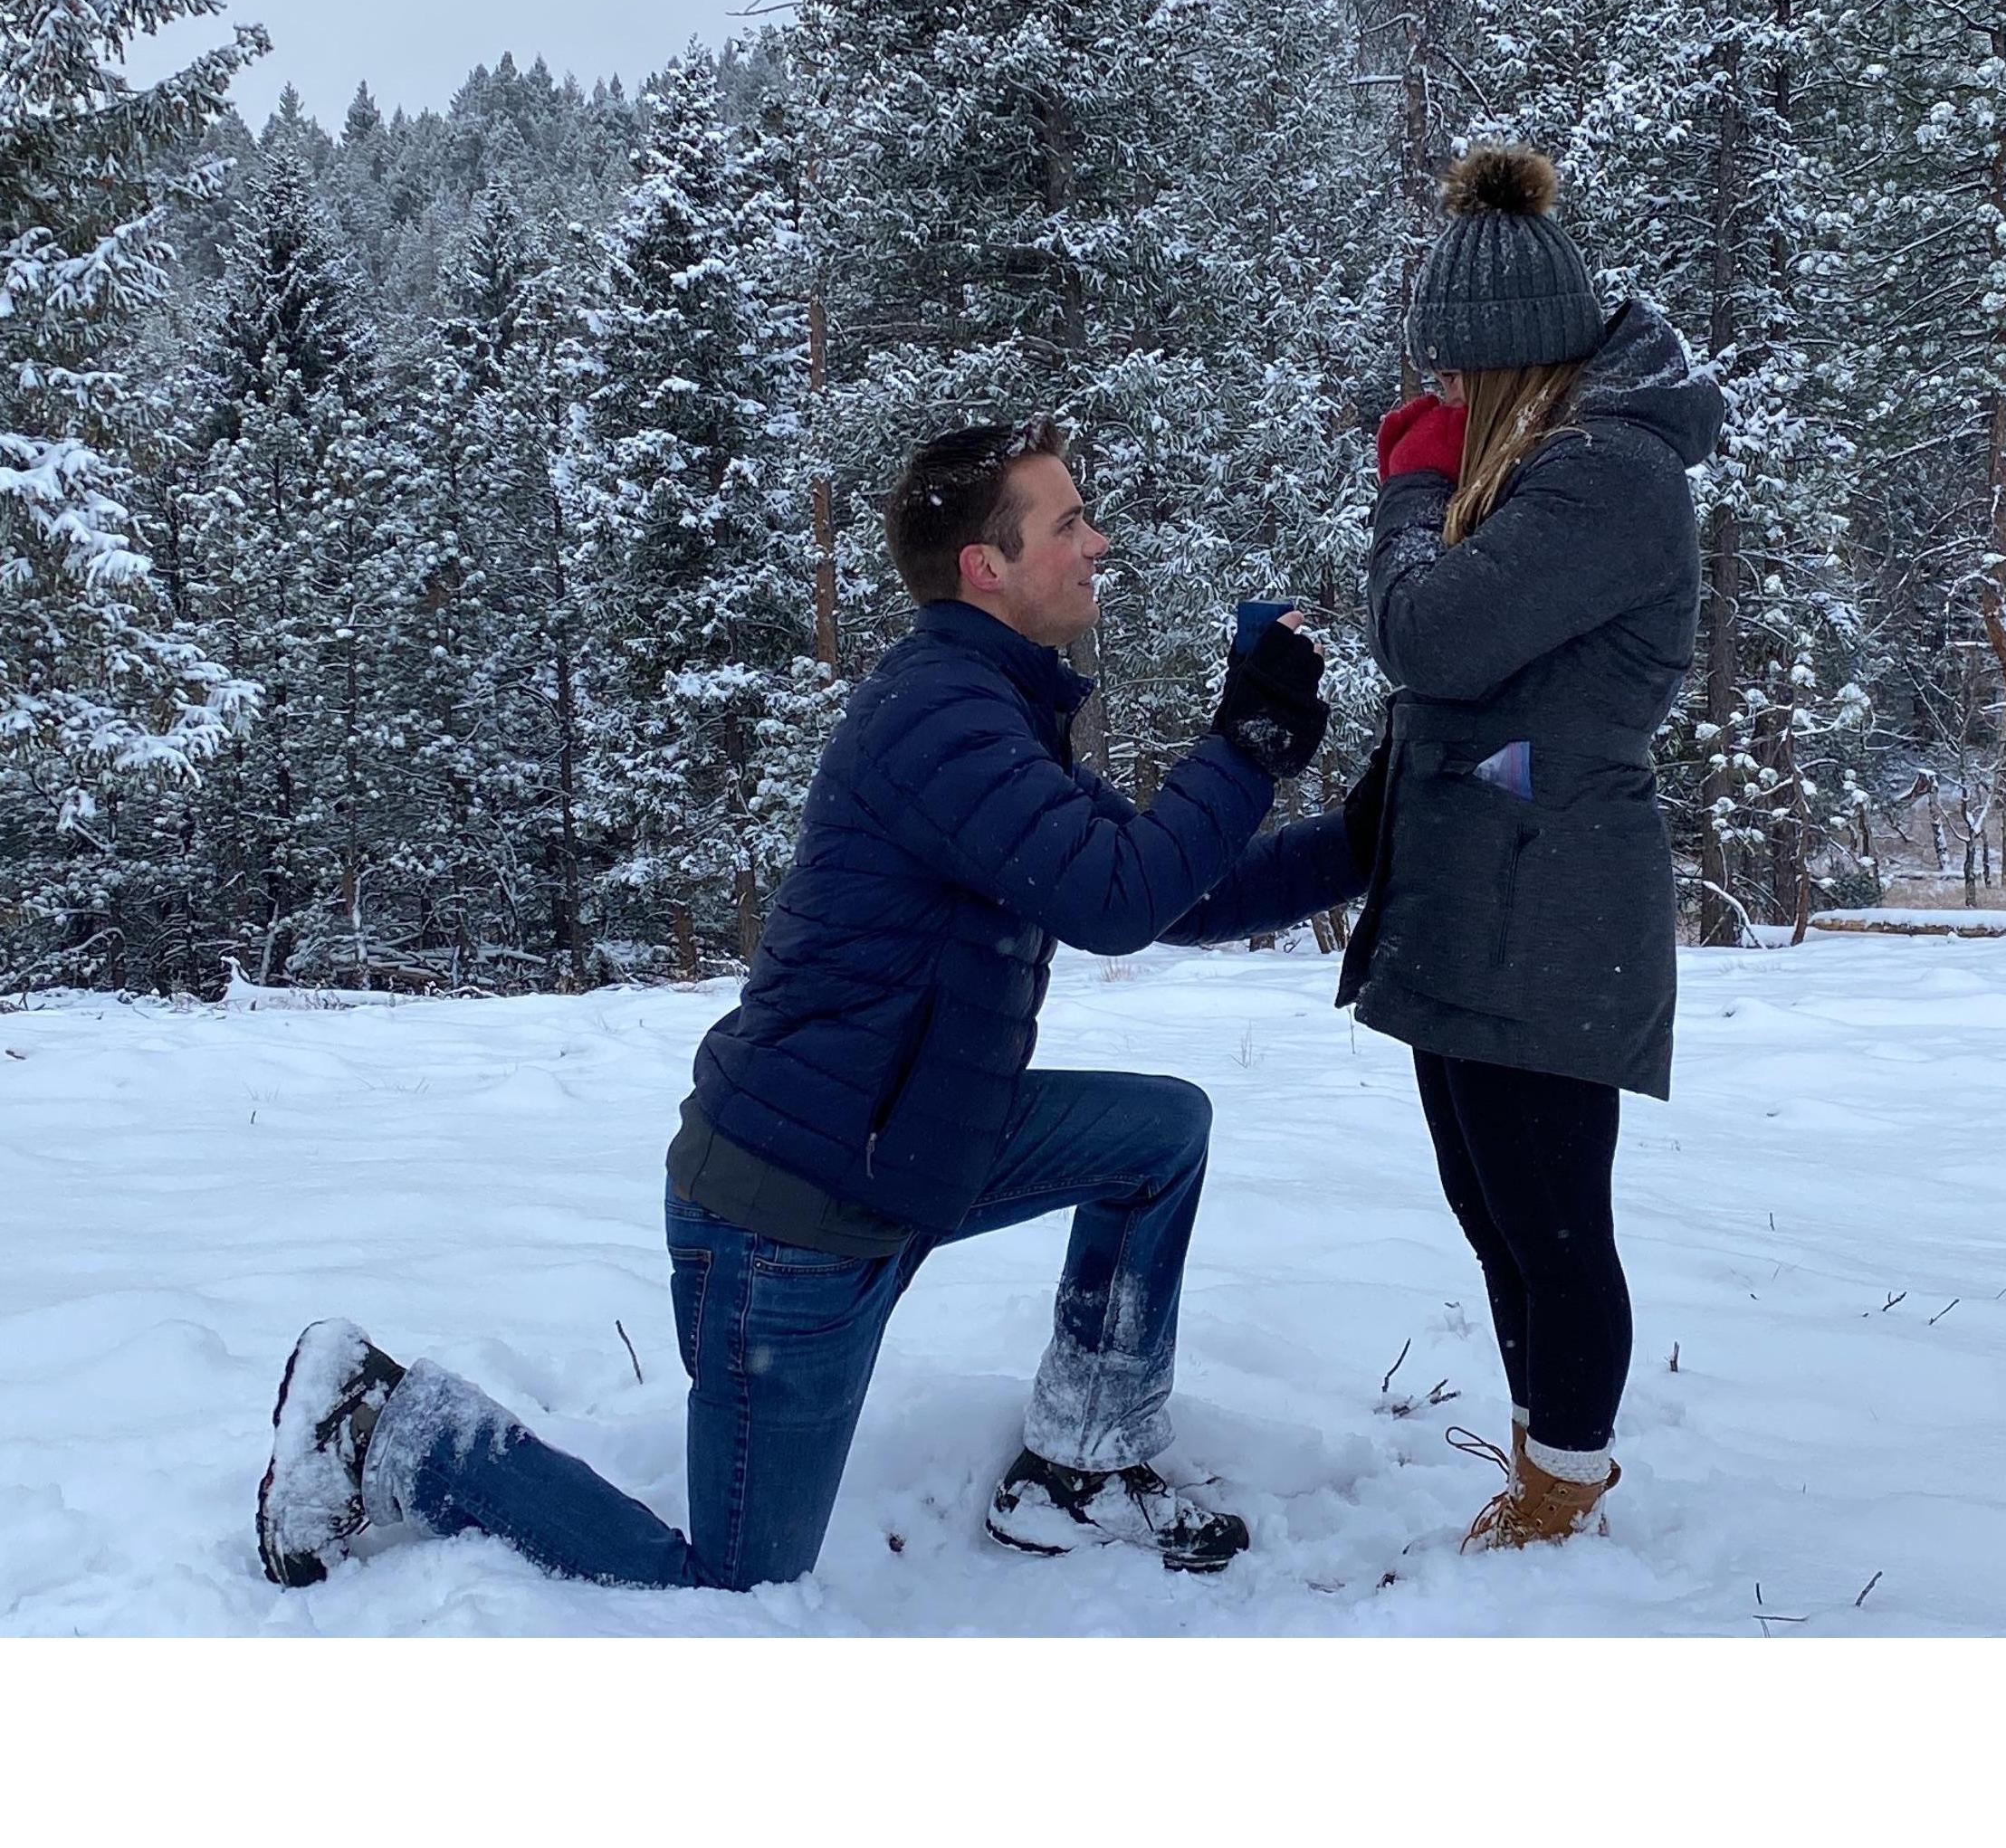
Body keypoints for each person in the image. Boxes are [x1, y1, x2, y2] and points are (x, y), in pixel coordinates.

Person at [256, 418, 1373, 1592]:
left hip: (906, 1146)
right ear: (983, 568)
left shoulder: (988, 709)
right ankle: (391, 1422)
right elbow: (1110, 897)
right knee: (736, 1585)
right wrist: (1245, 741)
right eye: (1066, 522)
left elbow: (1161, 889)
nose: (1096, 541)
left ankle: (1083, 1461)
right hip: (791, 1211)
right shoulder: (942, 722)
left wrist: (1358, 843)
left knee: (1157, 1135)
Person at [1336, 145, 1724, 1548]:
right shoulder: (1548, 469)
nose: (1427, 397)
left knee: (1553, 1222)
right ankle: (1536, 1465)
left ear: (1502, 369)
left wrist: (1402, 497)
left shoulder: (1606, 477)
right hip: (1482, 884)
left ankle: (1562, 1497)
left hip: (1550, 901)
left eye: (1446, 378)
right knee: (1495, 1213)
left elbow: (1428, 637)